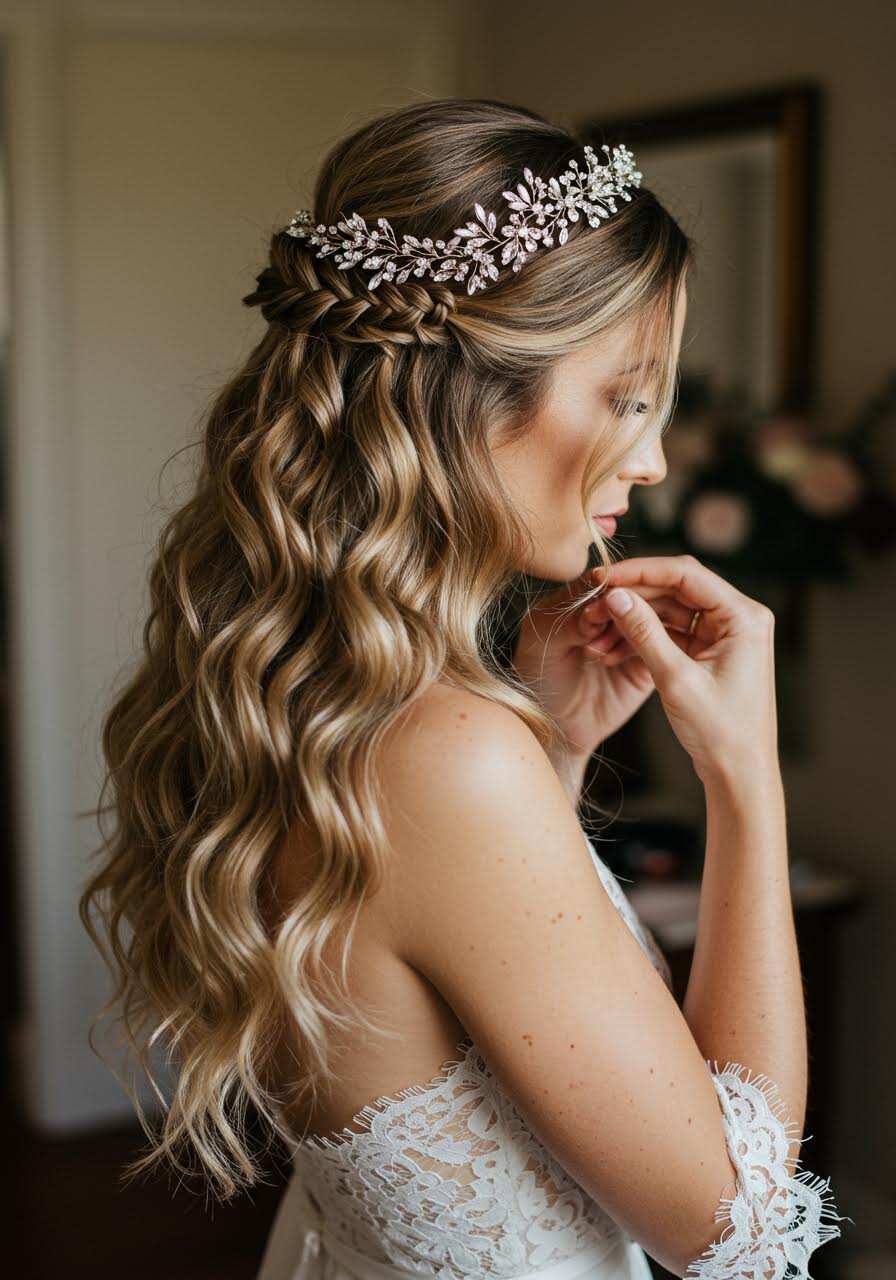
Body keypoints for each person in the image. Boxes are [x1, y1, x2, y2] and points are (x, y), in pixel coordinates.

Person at [79, 98, 849, 1279]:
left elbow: (426, 1012)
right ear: (468, 394)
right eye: (627, 396)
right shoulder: (444, 755)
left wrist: (554, 760)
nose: (647, 458)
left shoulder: (304, 688)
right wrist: (742, 776)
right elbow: (736, 1232)